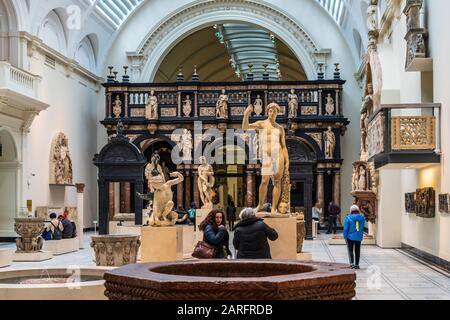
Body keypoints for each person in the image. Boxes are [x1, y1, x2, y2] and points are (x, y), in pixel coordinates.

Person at [343, 205, 366, 269]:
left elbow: (346, 228)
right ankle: (357, 264)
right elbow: (361, 227)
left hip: (350, 237)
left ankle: (352, 263)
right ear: (358, 210)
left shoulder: (348, 217)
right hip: (358, 236)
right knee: (357, 250)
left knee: (350, 250)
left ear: (351, 210)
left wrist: (345, 236)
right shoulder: (362, 217)